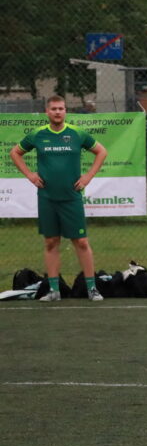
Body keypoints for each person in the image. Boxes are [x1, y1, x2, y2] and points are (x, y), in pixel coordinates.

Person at [10, 95, 108, 302]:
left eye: (61, 109)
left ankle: (92, 288)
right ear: (47, 112)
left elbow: (101, 151)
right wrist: (30, 175)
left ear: (65, 111)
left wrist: (88, 177)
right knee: (51, 241)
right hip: (47, 197)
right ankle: (54, 290)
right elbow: (15, 153)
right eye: (53, 109)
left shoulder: (77, 133)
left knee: (81, 242)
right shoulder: (38, 134)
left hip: (71, 198)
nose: (57, 112)